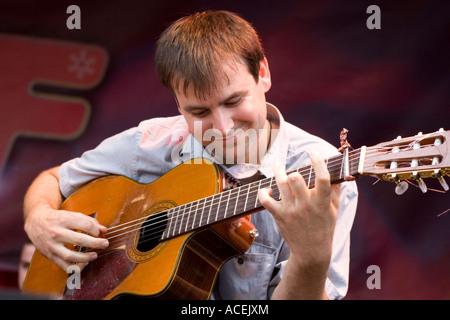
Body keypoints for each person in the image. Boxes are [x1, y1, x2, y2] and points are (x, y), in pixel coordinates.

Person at [23, 10, 358, 300]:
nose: (222, 129)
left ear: (263, 74)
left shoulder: (321, 172)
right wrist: (38, 217)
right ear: (178, 105)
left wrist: (310, 258)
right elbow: (55, 179)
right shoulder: (153, 142)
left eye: (233, 101)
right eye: (199, 112)